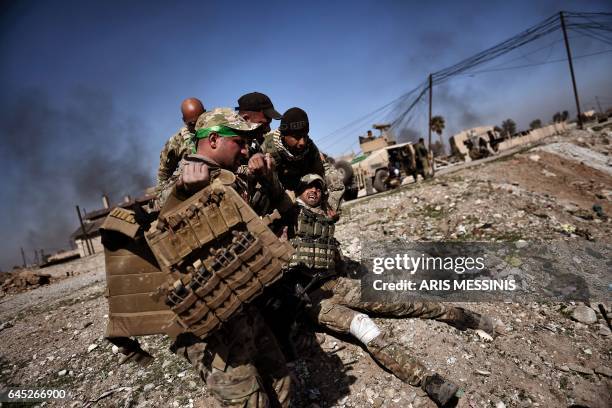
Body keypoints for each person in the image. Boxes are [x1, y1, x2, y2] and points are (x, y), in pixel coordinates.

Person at [274, 174, 505, 406]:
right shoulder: (290, 215)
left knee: (401, 301)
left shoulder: (325, 214)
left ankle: (463, 316)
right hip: (315, 301)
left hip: (338, 284)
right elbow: (273, 189)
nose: (313, 191)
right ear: (299, 190)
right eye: (307, 187)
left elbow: (337, 184)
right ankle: (428, 381)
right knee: (366, 329)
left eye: (317, 187)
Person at [159, 107, 294, 407]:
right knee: (248, 400)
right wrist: (181, 192)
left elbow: (278, 208)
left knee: (281, 379)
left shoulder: (233, 176)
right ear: (215, 140)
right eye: (240, 142)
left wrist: (267, 175)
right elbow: (156, 222)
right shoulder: (181, 179)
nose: (247, 148)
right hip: (205, 322)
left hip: (239, 304)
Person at [262, 107, 345, 213]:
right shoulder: (267, 148)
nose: (302, 142)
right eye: (296, 137)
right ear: (284, 135)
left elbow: (331, 181)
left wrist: (330, 208)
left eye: (305, 136)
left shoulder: (310, 149)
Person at [155, 98, 206, 206]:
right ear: (184, 120)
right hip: (190, 194)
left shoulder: (215, 129)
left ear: (205, 113)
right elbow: (163, 174)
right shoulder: (176, 142)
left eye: (200, 121)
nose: (197, 126)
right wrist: (163, 200)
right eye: (192, 124)